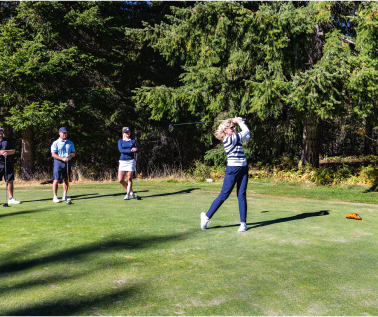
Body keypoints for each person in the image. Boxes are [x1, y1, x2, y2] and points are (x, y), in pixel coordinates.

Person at [201, 117, 250, 232]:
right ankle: (206, 217)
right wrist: (240, 122)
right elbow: (246, 132)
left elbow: (247, 135)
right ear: (225, 131)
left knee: (241, 195)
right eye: (232, 127)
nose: (234, 129)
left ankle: (243, 223)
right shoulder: (229, 140)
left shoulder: (235, 137)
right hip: (233, 169)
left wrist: (238, 122)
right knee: (224, 195)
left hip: (243, 168)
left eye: (234, 127)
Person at [51, 127, 76, 203]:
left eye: (66, 132)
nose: (65, 134)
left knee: (66, 178)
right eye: (63, 133)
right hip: (58, 162)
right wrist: (62, 158)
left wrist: (69, 154)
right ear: (59, 133)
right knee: (56, 179)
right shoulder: (56, 143)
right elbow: (53, 154)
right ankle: (55, 197)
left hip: (68, 162)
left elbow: (74, 153)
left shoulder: (70, 142)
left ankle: (64, 195)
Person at [0, 126, 21, 204]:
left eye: (1, 131)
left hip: (7, 163)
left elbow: (13, 151)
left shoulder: (7, 140)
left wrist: (5, 151)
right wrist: (0, 153)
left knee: (10, 180)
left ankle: (11, 198)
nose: (0, 132)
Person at [118, 127, 138, 200]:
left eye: (128, 132)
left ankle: (127, 195)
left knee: (129, 178)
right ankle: (130, 191)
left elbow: (137, 149)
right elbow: (121, 150)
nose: (128, 134)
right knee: (120, 179)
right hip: (123, 161)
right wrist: (131, 150)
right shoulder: (120, 141)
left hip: (130, 161)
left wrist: (135, 149)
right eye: (126, 132)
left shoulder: (132, 141)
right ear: (123, 133)